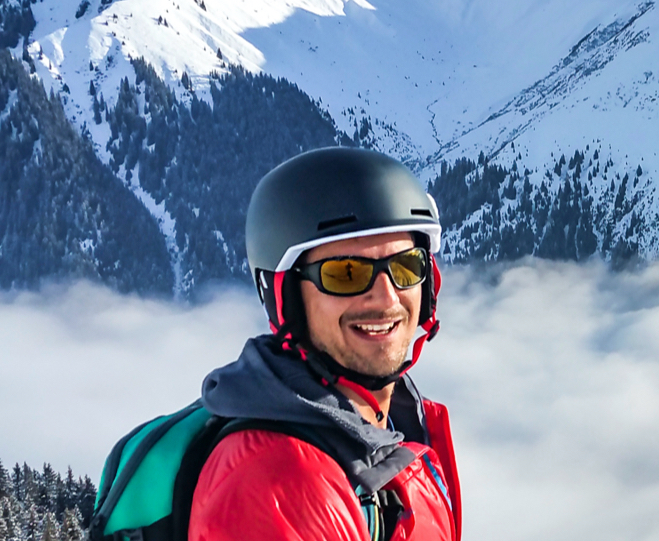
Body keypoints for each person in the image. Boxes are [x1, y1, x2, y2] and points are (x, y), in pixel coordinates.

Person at [188, 147, 461, 541]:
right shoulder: (277, 485)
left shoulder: (386, 424)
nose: (386, 298)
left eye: (406, 267)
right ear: (288, 299)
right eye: (346, 273)